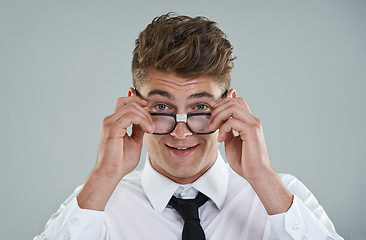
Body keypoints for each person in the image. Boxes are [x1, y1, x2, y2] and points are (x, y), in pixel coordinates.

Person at [34, 13, 343, 240]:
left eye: (200, 108)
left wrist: (262, 177)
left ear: (229, 106)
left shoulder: (285, 198)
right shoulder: (93, 204)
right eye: (162, 108)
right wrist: (103, 176)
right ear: (133, 106)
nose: (181, 133)